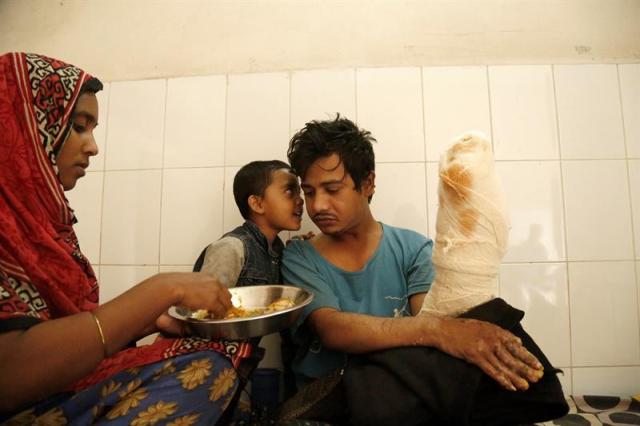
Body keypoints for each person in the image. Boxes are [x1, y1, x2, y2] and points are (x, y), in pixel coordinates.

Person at [0, 52, 250, 425]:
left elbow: (70, 328)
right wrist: (163, 289)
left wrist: (150, 321)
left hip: (62, 389)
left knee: (217, 352)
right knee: (205, 368)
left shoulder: (47, 226)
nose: (93, 147)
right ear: (27, 129)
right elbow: (10, 376)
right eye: (80, 127)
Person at [278, 115, 568, 424]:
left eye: (332, 189)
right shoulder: (300, 256)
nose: (318, 205)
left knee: (486, 325)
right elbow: (333, 330)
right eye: (309, 192)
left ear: (368, 183)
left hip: (400, 396)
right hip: (333, 401)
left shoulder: (412, 249)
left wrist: (448, 331)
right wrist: (438, 331)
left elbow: (433, 328)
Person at [191, 160, 304, 421]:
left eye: (300, 192)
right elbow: (200, 320)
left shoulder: (276, 251)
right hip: (206, 369)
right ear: (258, 204)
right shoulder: (231, 248)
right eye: (290, 191)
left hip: (238, 368)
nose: (300, 200)